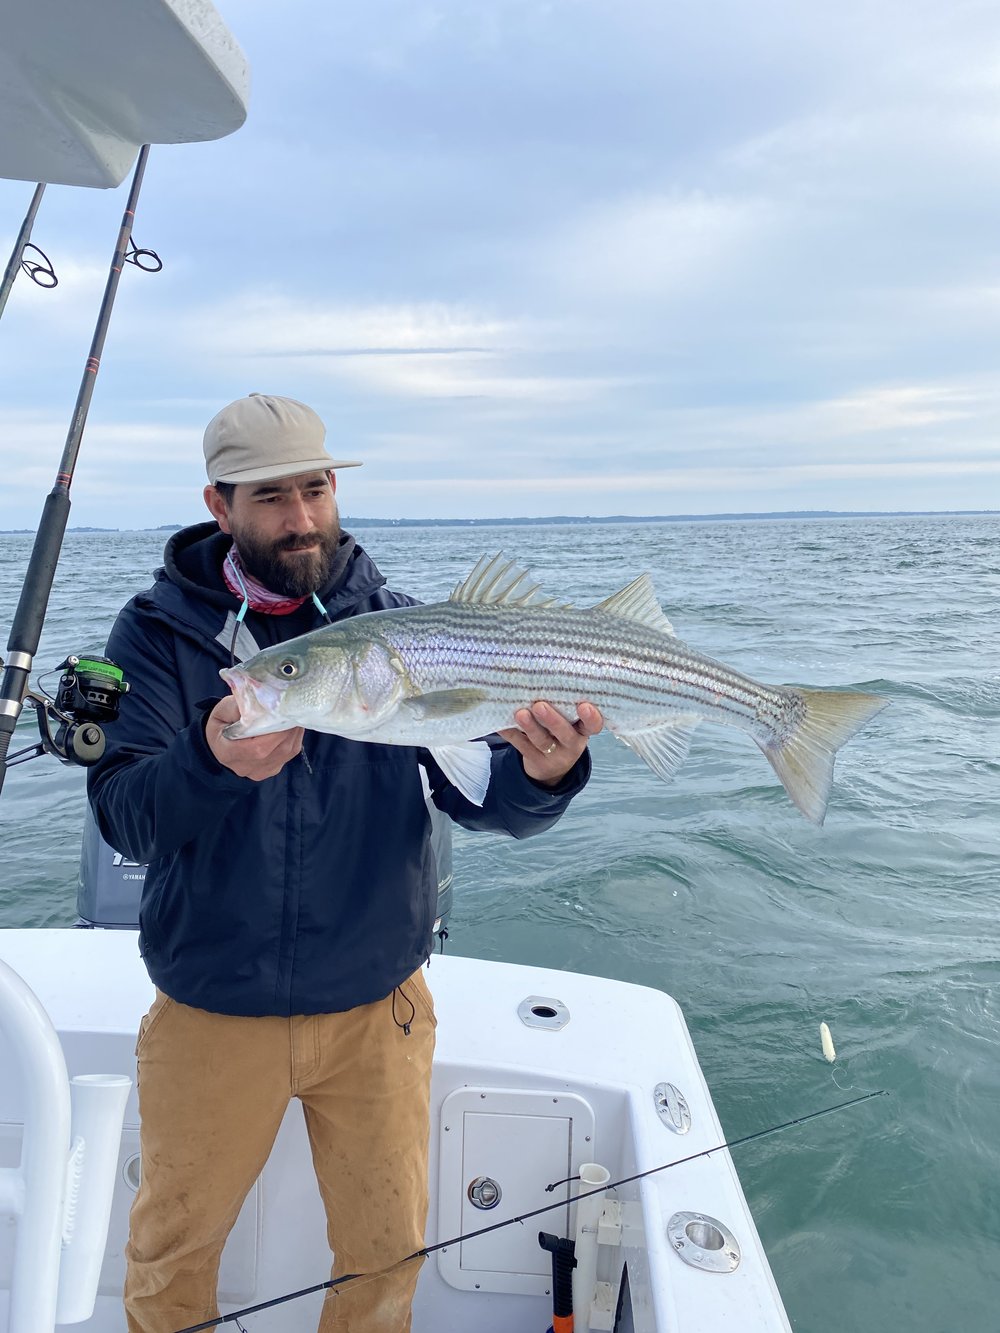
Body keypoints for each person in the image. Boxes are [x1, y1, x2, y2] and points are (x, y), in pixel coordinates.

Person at [87, 392, 603, 1333]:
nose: (302, 518)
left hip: (378, 1008)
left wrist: (547, 774)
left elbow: (476, 798)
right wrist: (209, 764)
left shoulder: (400, 627)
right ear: (220, 506)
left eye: (316, 489)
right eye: (272, 496)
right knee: (173, 1251)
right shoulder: (157, 636)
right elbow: (126, 817)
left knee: (385, 1252)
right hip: (214, 1006)